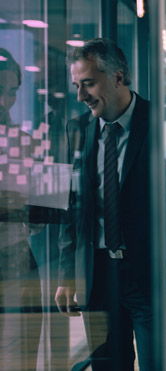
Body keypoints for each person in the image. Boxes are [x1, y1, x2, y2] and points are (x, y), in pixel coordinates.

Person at [54, 38, 166, 370]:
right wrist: (68, 275)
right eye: (77, 86)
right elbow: (71, 211)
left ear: (119, 77)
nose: (81, 96)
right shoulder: (76, 130)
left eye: (89, 83)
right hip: (98, 278)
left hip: (153, 276)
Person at [0, 47, 43, 370]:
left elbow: (40, 215)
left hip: (16, 256)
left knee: (24, 350)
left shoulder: (24, 143)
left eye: (12, 91)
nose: (5, 101)